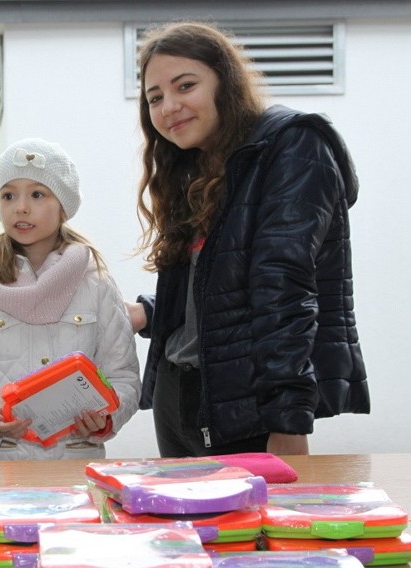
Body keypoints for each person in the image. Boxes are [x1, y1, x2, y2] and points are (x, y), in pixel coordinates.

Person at [125, 22, 369, 458]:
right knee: (184, 528)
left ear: (225, 81)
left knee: (253, 528)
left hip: (245, 404)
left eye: (186, 85)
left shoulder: (292, 146)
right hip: (178, 395)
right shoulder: (195, 170)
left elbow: (285, 289)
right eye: (155, 97)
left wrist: (288, 418)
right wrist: (150, 311)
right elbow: (219, 284)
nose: (169, 107)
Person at [0, 138, 141, 460]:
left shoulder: (97, 283)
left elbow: (123, 377)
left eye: (37, 194)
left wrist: (105, 417)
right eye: (8, 195)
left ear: (64, 206)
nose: (20, 207)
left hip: (72, 470)